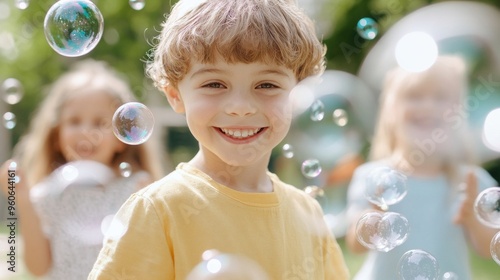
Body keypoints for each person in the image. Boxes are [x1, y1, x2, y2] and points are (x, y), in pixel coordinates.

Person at [88, 0, 350, 279]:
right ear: (175, 95)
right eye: (214, 84)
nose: (240, 106)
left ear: (300, 95)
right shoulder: (159, 210)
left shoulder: (307, 213)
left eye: (267, 85)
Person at [0, 59, 163, 279]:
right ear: (56, 135)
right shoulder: (47, 195)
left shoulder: (137, 190)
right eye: (74, 121)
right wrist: (22, 199)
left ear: (122, 138)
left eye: (99, 123)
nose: (86, 132)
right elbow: (37, 268)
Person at [345, 55, 498, 279]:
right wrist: (373, 217)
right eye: (414, 96)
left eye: (441, 97)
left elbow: (489, 248)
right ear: (390, 111)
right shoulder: (373, 177)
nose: (428, 106)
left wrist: (472, 219)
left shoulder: (472, 182)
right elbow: (355, 245)